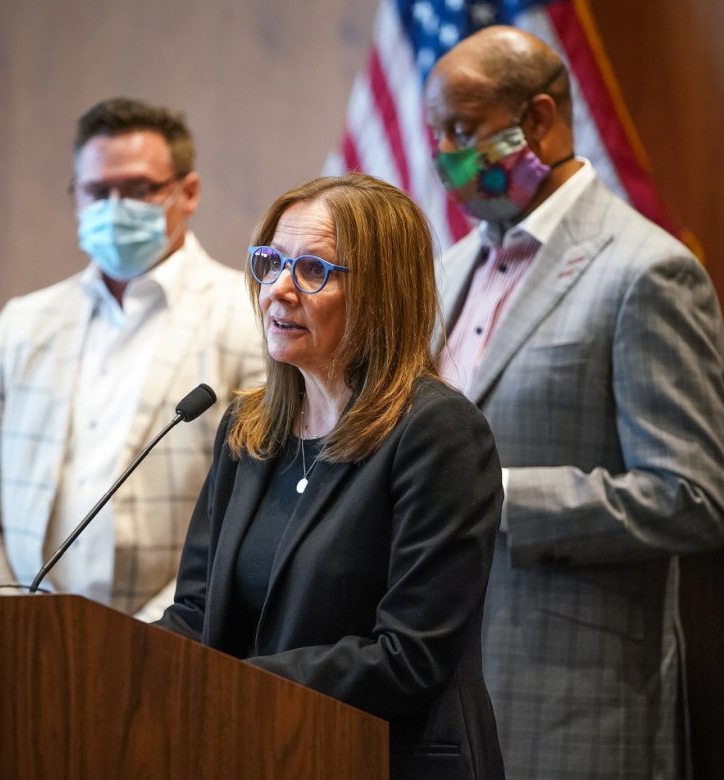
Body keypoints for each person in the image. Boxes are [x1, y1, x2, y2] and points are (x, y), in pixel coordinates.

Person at [425, 26, 724, 780]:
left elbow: (690, 497)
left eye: (463, 130)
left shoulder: (646, 272)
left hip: (572, 698)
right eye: (438, 135)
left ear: (542, 121)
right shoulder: (449, 268)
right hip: (435, 689)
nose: (447, 157)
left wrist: (493, 498)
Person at [158, 173, 505, 780]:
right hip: (254, 753)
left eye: (314, 270)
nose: (279, 291)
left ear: (382, 293)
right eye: (270, 264)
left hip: (383, 761)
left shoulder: (438, 433)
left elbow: (409, 657)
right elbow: (196, 609)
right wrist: (126, 668)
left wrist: (227, 685)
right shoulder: (249, 426)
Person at [0, 97, 263, 617]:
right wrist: (7, 626)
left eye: (139, 190)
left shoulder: (249, 320)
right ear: (76, 197)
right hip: (17, 639)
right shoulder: (23, 323)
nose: (115, 208)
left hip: (171, 645)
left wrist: (141, 644)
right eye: (97, 191)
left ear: (189, 191)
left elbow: (247, 524)